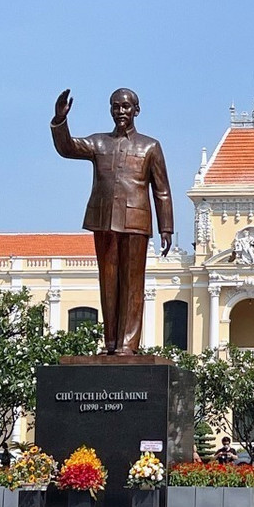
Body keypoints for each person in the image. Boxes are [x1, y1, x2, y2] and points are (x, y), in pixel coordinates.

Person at [51, 88, 174, 355]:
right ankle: (110, 343)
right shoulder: (99, 143)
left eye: (126, 107)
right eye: (116, 107)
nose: (120, 112)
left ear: (136, 110)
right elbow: (68, 147)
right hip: (103, 220)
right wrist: (60, 120)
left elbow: (161, 190)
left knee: (132, 285)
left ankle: (128, 344)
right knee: (108, 284)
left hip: (136, 222)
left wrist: (167, 228)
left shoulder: (150, 146)